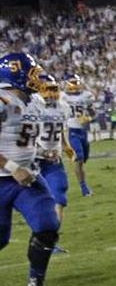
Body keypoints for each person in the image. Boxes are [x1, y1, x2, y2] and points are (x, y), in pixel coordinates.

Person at [0, 53, 64, 286]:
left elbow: (19, 138)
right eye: (32, 73)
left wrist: (41, 152)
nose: (36, 78)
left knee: (48, 226)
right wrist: (14, 166)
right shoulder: (3, 100)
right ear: (14, 75)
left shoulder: (33, 102)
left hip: (27, 178)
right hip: (5, 178)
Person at [32, 75, 73, 253]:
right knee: (36, 203)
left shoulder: (63, 107)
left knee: (60, 197)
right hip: (34, 161)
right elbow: (25, 135)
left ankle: (50, 241)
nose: (51, 93)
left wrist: (66, 146)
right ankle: (40, 238)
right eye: (47, 89)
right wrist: (40, 151)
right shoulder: (31, 107)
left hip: (54, 161)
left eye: (54, 89)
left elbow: (61, 129)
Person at [62, 75, 95, 196]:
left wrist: (88, 118)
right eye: (72, 82)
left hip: (83, 132)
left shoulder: (86, 95)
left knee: (83, 159)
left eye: (76, 82)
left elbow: (92, 112)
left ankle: (84, 184)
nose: (75, 84)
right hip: (71, 131)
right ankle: (84, 187)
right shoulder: (62, 97)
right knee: (79, 159)